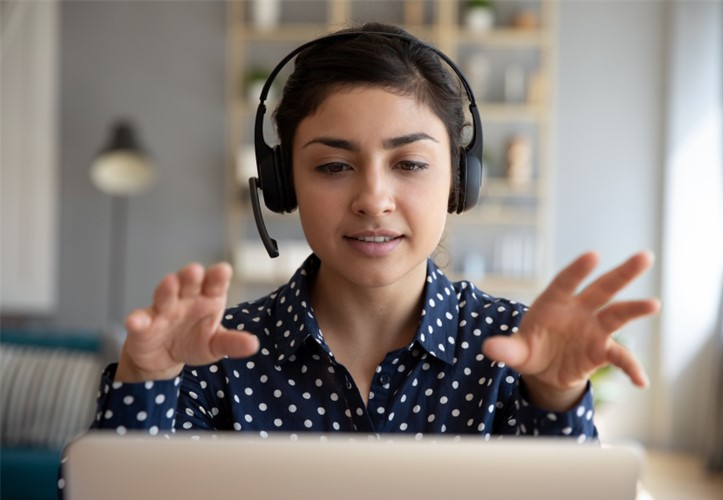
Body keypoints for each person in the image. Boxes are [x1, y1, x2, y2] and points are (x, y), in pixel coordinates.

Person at [58, 20, 659, 495]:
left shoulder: (515, 349)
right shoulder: (212, 353)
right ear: (283, 184)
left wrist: (553, 398)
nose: (373, 198)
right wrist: (145, 382)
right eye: (333, 166)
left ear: (459, 181)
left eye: (410, 164)